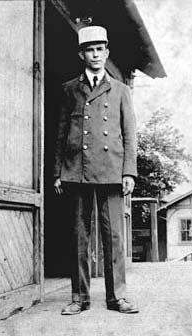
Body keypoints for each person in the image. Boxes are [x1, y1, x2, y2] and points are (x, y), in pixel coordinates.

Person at [53, 25, 138, 315]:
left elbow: (130, 134)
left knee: (113, 236)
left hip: (112, 171)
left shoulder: (121, 90)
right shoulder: (69, 90)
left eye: (100, 49)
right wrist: (57, 173)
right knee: (79, 236)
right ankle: (79, 297)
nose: (96, 55)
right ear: (82, 54)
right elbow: (62, 133)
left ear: (107, 52)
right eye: (90, 50)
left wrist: (129, 172)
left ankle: (118, 297)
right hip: (77, 170)